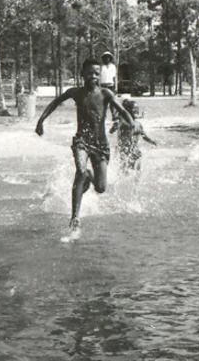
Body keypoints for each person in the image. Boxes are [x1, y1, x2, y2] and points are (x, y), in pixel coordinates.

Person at [35, 57, 134, 240]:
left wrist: (132, 123)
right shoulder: (76, 93)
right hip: (82, 140)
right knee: (80, 171)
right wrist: (41, 120)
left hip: (101, 144)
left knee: (101, 188)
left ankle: (89, 175)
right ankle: (75, 217)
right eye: (89, 73)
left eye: (96, 73)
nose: (93, 77)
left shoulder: (106, 93)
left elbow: (122, 111)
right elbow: (55, 103)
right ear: (82, 74)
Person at [111, 99, 157, 172]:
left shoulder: (138, 124)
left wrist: (152, 141)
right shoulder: (124, 123)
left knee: (138, 169)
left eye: (137, 109)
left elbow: (144, 136)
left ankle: (136, 181)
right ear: (128, 111)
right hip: (125, 150)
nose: (136, 110)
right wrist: (114, 127)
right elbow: (113, 129)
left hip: (135, 150)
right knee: (125, 170)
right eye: (134, 109)